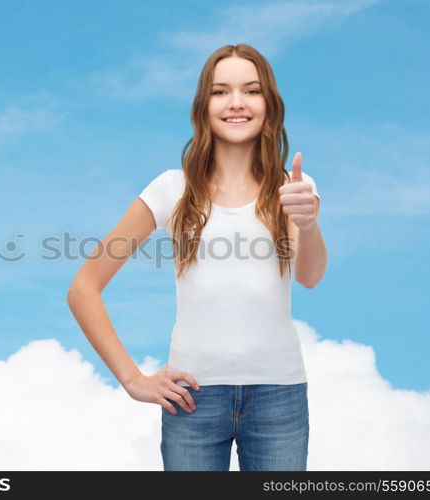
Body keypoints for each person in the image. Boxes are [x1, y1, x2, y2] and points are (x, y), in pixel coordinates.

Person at [67, 43, 327, 471]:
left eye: (251, 90)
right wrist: (132, 379)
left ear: (270, 104)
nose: (237, 103)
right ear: (204, 105)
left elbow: (311, 276)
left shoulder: (293, 187)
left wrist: (309, 222)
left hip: (279, 396)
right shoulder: (172, 189)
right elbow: (83, 288)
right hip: (193, 400)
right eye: (221, 91)